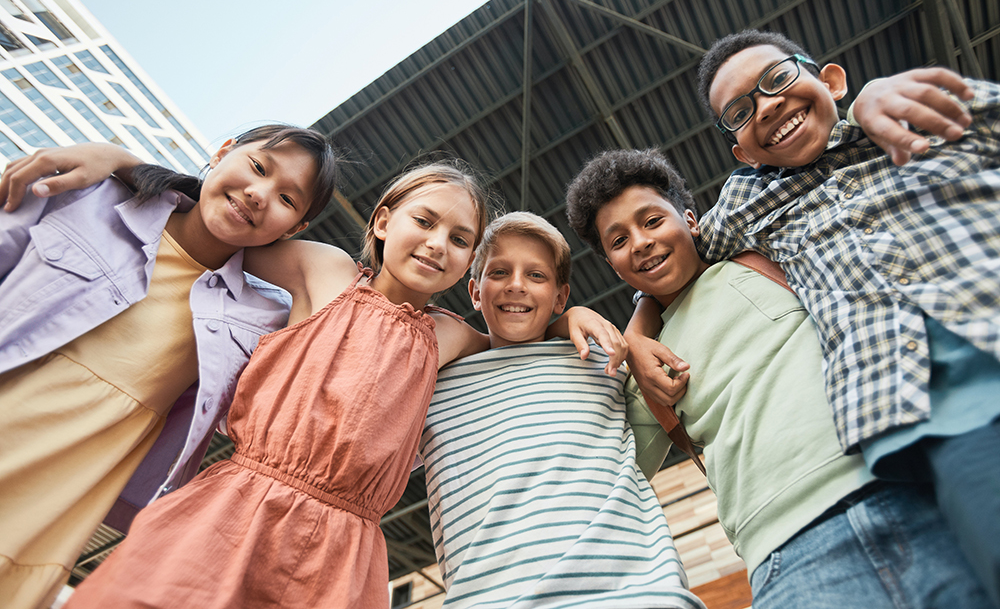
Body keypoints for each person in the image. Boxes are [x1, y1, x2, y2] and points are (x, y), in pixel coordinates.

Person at [41, 157, 622, 609]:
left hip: (344, 549)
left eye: (460, 238)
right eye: (424, 221)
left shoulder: (448, 337)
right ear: (383, 221)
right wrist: (119, 161)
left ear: (468, 262)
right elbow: (224, 225)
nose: (436, 243)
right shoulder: (326, 272)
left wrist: (566, 317)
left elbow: (517, 336)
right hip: (238, 505)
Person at [566, 149, 991, 608]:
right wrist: (568, 318)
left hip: (905, 486)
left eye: (651, 221)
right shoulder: (645, 368)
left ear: (692, 220)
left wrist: (637, 324)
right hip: (786, 554)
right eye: (619, 240)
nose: (641, 242)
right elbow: (607, 473)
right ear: (612, 264)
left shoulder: (772, 255)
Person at [688, 29, 1000, 607]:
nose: (768, 104)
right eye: (740, 111)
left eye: (778, 79)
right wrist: (633, 329)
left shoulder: (914, 108)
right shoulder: (747, 206)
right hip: (941, 410)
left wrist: (865, 102)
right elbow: (664, 255)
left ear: (830, 79)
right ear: (743, 152)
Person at [0, 125, 336, 609]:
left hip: (48, 519)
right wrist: (118, 161)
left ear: (295, 230)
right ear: (223, 152)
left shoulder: (261, 320)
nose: (259, 194)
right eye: (259, 167)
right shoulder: (87, 195)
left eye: (287, 199)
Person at [420, 211, 705, 608]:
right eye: (499, 273)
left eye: (536, 276)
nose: (516, 286)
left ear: (561, 296)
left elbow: (666, 296)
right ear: (474, 291)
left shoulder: (601, 357)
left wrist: (593, 324)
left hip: (637, 593)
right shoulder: (432, 383)